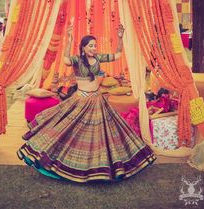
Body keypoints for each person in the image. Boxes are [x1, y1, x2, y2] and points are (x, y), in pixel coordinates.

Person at [17, 24, 156, 182]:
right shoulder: (77, 59)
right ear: (83, 47)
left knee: (100, 136)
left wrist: (119, 38)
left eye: (95, 45)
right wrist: (69, 40)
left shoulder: (98, 58)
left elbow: (117, 55)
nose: (94, 48)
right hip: (81, 99)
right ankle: (68, 164)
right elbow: (65, 59)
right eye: (91, 46)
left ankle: (99, 167)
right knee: (71, 131)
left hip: (97, 100)